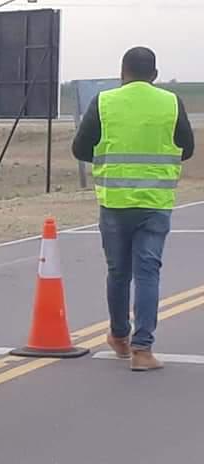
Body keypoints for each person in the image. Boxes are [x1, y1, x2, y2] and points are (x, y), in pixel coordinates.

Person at [72, 46, 195, 371]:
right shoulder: (171, 102)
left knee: (118, 272)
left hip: (115, 202)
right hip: (155, 203)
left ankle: (119, 337)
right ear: (154, 75)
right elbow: (188, 148)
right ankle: (143, 351)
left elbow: (80, 148)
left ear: (122, 72)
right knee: (147, 272)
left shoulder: (105, 102)